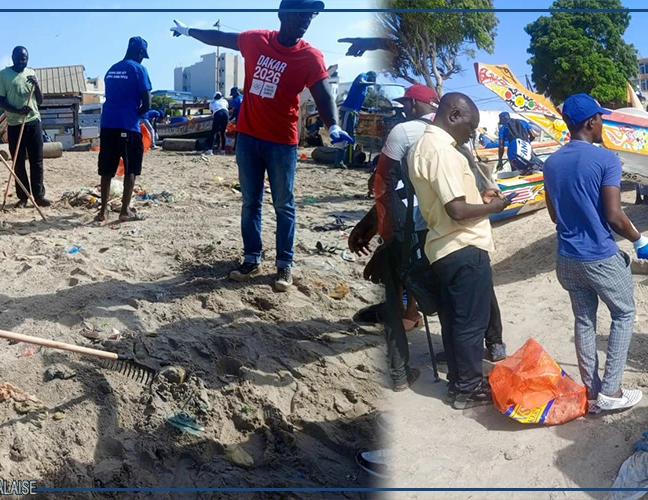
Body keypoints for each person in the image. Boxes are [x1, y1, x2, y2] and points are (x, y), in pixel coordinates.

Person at [170, 0, 354, 292]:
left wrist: (333, 124)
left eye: (311, 16)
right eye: (300, 13)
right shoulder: (257, 41)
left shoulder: (310, 57)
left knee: (284, 205)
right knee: (250, 202)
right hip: (248, 139)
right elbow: (220, 38)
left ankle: (284, 266)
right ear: (282, 14)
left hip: (282, 143)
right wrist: (189, 31)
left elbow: (323, 92)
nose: (306, 20)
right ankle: (252, 259)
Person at [543, 93, 648, 413]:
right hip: (599, 256)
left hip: (566, 257)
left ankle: (591, 392)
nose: (603, 122)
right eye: (601, 118)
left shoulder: (551, 164)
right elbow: (614, 216)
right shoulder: (606, 159)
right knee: (623, 313)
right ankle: (612, 390)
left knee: (584, 320)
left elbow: (553, 216)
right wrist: (638, 239)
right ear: (591, 123)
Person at [407, 93, 508, 410]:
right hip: (462, 245)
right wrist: (494, 206)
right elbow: (457, 210)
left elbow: (450, 200)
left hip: (443, 248)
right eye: (471, 126)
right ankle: (468, 387)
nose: (472, 134)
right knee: (470, 323)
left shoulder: (424, 147)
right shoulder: (442, 151)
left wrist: (480, 195)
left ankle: (459, 384)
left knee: (454, 320)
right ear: (453, 115)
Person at [348, 84, 440, 392]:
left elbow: (384, 185)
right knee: (445, 287)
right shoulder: (452, 132)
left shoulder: (403, 132)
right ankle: (468, 357)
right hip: (443, 225)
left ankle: (400, 373)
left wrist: (384, 237)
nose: (403, 109)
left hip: (408, 222)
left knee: (394, 285)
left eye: (406, 104)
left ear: (414, 104)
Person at [97, 36, 153, 223]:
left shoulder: (111, 70)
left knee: (106, 170)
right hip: (128, 125)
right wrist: (135, 114)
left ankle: (103, 211)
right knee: (131, 168)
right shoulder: (139, 69)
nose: (142, 59)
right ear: (139, 52)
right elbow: (147, 103)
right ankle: (124, 210)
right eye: (143, 55)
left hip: (107, 125)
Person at [0, 46, 50, 208]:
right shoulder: (4, 75)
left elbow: (39, 101)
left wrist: (37, 85)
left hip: (33, 121)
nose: (22, 62)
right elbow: (0, 101)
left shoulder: (31, 73)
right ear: (12, 57)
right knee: (18, 162)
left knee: (37, 161)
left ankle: (39, 196)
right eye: (19, 59)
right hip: (15, 124)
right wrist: (18, 111)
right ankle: (24, 196)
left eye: (25, 59)